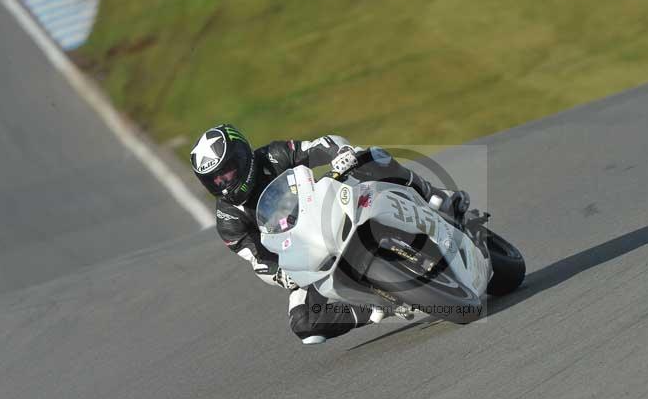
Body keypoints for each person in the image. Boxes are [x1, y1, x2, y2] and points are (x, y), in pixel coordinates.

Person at [190, 124, 469, 344]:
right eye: (214, 179)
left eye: (226, 172)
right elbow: (258, 261)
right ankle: (376, 309)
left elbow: (320, 146)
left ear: (242, 156)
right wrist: (280, 274)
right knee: (304, 323)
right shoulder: (228, 219)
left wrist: (340, 154)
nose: (223, 183)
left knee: (371, 157)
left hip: (326, 208)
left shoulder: (272, 156)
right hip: (302, 252)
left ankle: (434, 195)